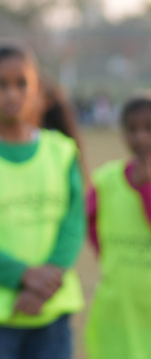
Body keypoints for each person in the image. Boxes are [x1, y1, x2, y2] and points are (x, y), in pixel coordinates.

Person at [0, 43, 85, 359]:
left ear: (38, 90)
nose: (12, 94)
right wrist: (24, 276)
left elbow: (73, 224)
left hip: (52, 309)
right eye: (1, 84)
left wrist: (46, 281)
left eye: (22, 83)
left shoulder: (62, 152)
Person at [84, 94, 151, 358]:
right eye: (132, 129)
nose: (141, 138)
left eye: (149, 128)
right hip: (118, 311)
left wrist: (145, 187)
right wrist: (109, 257)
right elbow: (90, 225)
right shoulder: (106, 180)